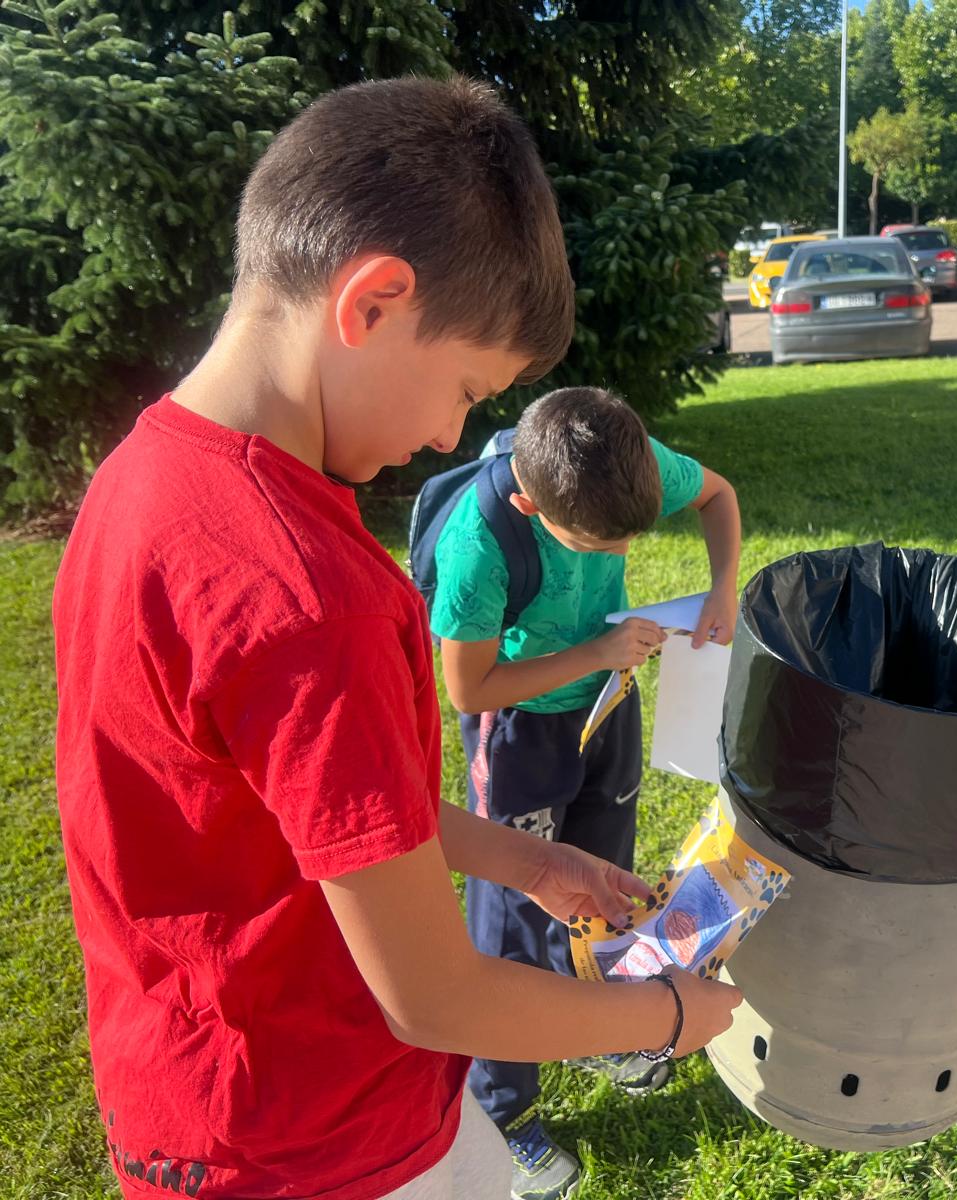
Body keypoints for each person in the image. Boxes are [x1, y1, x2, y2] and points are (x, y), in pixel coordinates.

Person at [51, 75, 741, 1200]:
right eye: (468, 388)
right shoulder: (310, 590)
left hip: (199, 1094)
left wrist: (529, 859)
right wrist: (665, 1013)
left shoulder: (138, 479)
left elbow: (307, 808)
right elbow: (436, 998)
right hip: (325, 1141)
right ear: (372, 302)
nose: (448, 437)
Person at [429, 385, 741, 1198]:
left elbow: (717, 494)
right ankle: (503, 1111)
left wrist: (724, 586)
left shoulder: (623, 464)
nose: (610, 558)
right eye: (593, 544)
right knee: (514, 923)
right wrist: (599, 652)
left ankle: (605, 1028)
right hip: (521, 730)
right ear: (531, 504)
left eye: (623, 546)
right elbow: (472, 690)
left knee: (605, 879)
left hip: (609, 708)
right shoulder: (478, 545)